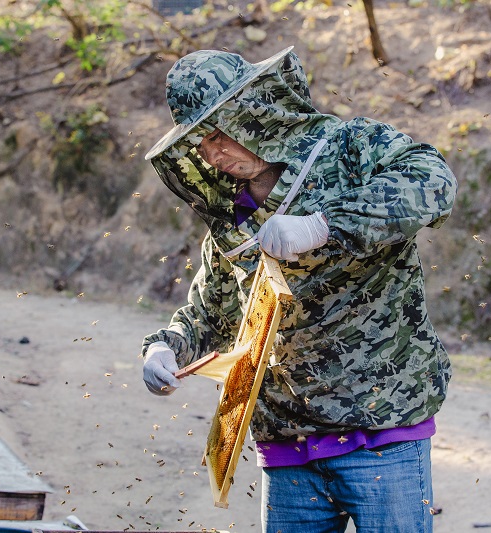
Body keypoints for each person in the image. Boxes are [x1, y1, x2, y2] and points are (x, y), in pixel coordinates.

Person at [139, 45, 457, 533]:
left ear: (255, 111)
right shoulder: (230, 218)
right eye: (199, 141)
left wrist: (323, 226)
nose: (211, 152)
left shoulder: (348, 147)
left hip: (381, 432)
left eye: (218, 131)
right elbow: (210, 312)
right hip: (287, 447)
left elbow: (433, 182)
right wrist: (166, 347)